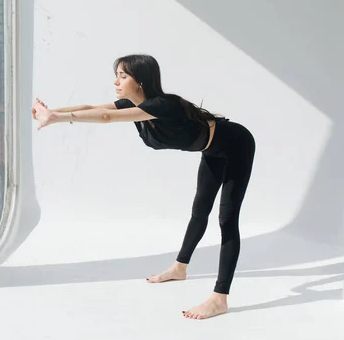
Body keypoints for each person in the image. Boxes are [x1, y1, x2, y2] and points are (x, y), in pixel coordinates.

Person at [32, 54, 256, 320]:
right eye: (116, 75)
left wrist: (56, 118)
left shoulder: (162, 105)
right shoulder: (132, 104)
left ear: (140, 81)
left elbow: (105, 117)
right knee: (199, 210)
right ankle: (179, 268)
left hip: (236, 144)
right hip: (212, 150)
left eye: (123, 76)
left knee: (227, 219)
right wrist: (53, 111)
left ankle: (219, 298)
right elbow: (94, 106)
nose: (116, 82)